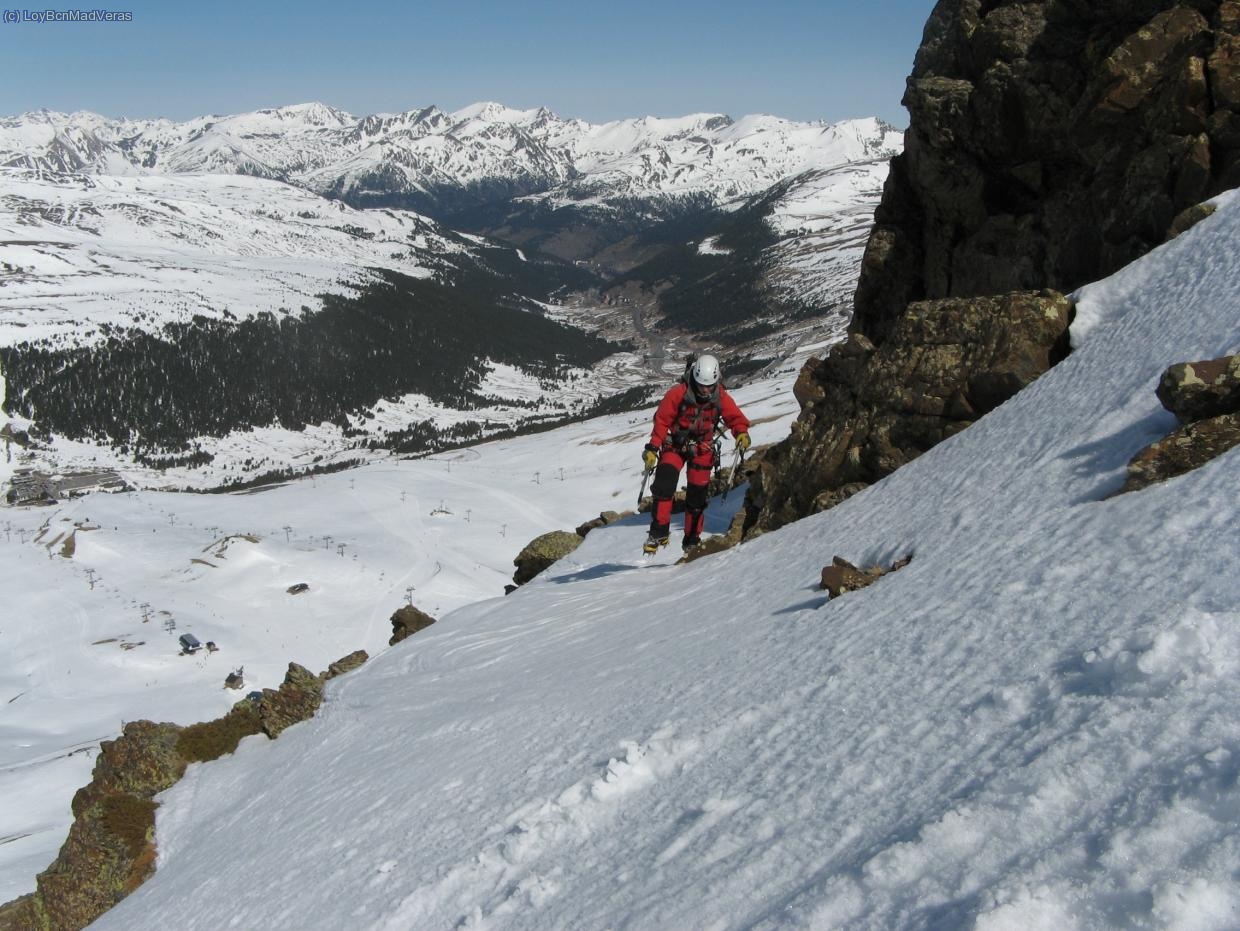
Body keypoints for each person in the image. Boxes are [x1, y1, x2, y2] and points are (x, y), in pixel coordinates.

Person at [641, 354, 750, 553]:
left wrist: (741, 433)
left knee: (697, 499)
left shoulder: (720, 396)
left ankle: (691, 539)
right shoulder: (678, 393)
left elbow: (735, 418)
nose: (705, 390)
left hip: (702, 448)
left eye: (709, 386)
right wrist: (653, 448)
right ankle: (658, 533)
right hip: (675, 445)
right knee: (663, 486)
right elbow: (662, 421)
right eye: (701, 385)